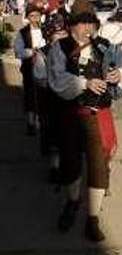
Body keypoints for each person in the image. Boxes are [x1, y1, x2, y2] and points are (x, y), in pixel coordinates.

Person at [48, 0, 122, 242]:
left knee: (98, 167)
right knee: (70, 164)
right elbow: (56, 81)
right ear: (72, 25)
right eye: (82, 23)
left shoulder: (106, 46)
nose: (88, 28)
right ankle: (72, 203)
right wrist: (84, 83)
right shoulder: (60, 48)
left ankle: (92, 218)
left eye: (91, 23)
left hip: (98, 115)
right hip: (71, 115)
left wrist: (118, 75)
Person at [33, 13, 68, 183]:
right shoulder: (43, 54)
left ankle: (68, 166)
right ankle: (55, 168)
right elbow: (40, 79)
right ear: (49, 35)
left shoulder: (73, 51)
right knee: (54, 135)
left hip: (69, 100)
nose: (62, 36)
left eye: (64, 33)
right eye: (57, 33)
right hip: (51, 101)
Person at [14, 3, 46, 135]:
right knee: (29, 95)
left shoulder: (46, 30)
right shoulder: (23, 33)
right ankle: (31, 122)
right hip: (29, 67)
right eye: (32, 16)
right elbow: (18, 51)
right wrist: (31, 52)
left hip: (45, 69)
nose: (35, 18)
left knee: (43, 95)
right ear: (28, 17)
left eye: (37, 16)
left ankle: (43, 121)